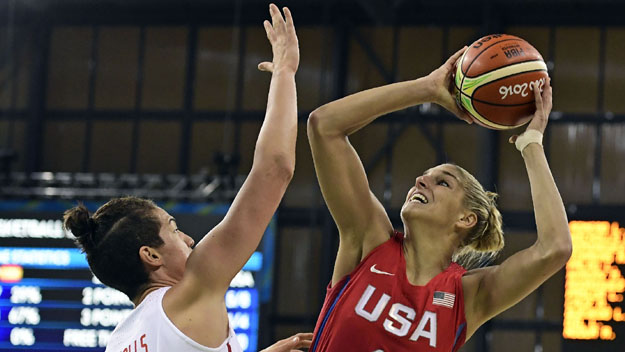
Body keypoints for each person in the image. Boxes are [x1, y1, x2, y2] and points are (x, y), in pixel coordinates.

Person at [63, 4, 312, 352]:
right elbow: (275, 169)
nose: (190, 239)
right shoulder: (196, 288)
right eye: (173, 228)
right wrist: (285, 72)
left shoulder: (119, 342)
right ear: (151, 256)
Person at [306, 47, 572, 351]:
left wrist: (531, 143)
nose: (421, 180)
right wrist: (427, 89)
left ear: (465, 218)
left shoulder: (467, 296)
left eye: (442, 182)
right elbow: (324, 126)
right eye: (424, 176)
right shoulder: (369, 241)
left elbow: (556, 248)